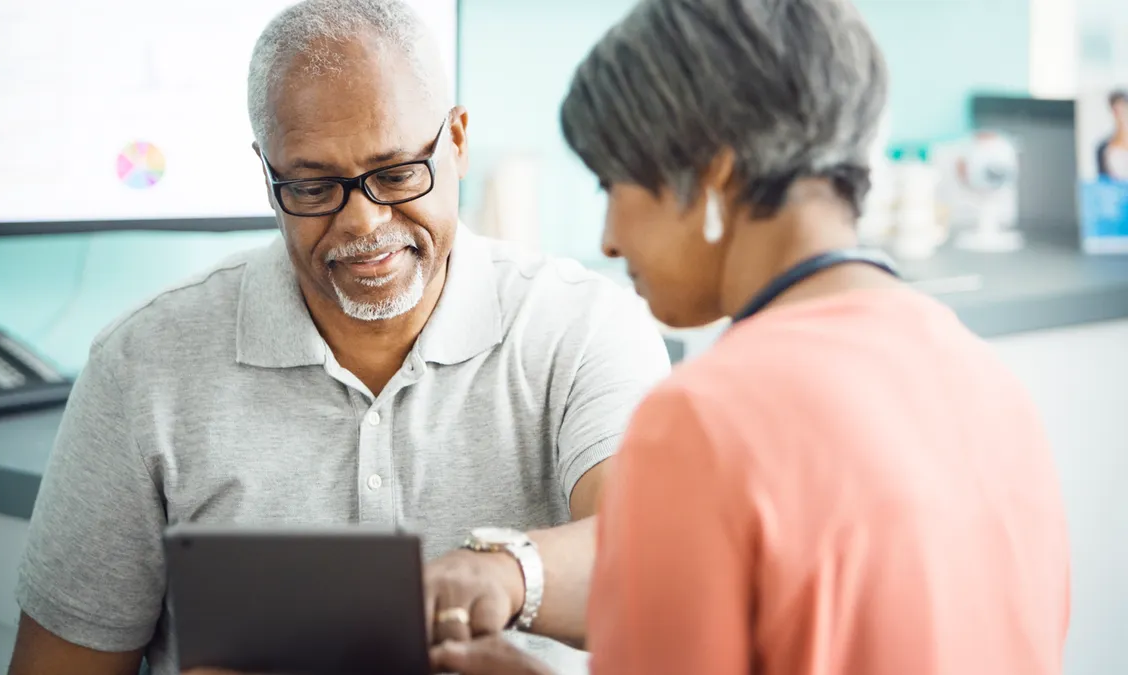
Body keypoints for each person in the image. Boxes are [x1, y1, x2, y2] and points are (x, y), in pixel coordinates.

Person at [5, 1, 670, 674]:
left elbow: (656, 569)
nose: (364, 220)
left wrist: (509, 574)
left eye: (397, 173)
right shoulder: (140, 366)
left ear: (458, 141)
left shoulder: (583, 327)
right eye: (315, 185)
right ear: (268, 177)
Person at [432, 0, 1072, 674]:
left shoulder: (701, 422)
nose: (609, 238)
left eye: (611, 185)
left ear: (714, 171)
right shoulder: (990, 383)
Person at [1096, 90, 1128, 181]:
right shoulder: (1103, 148)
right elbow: (1103, 182)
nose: (1120, 114)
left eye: (1123, 108)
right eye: (1116, 110)